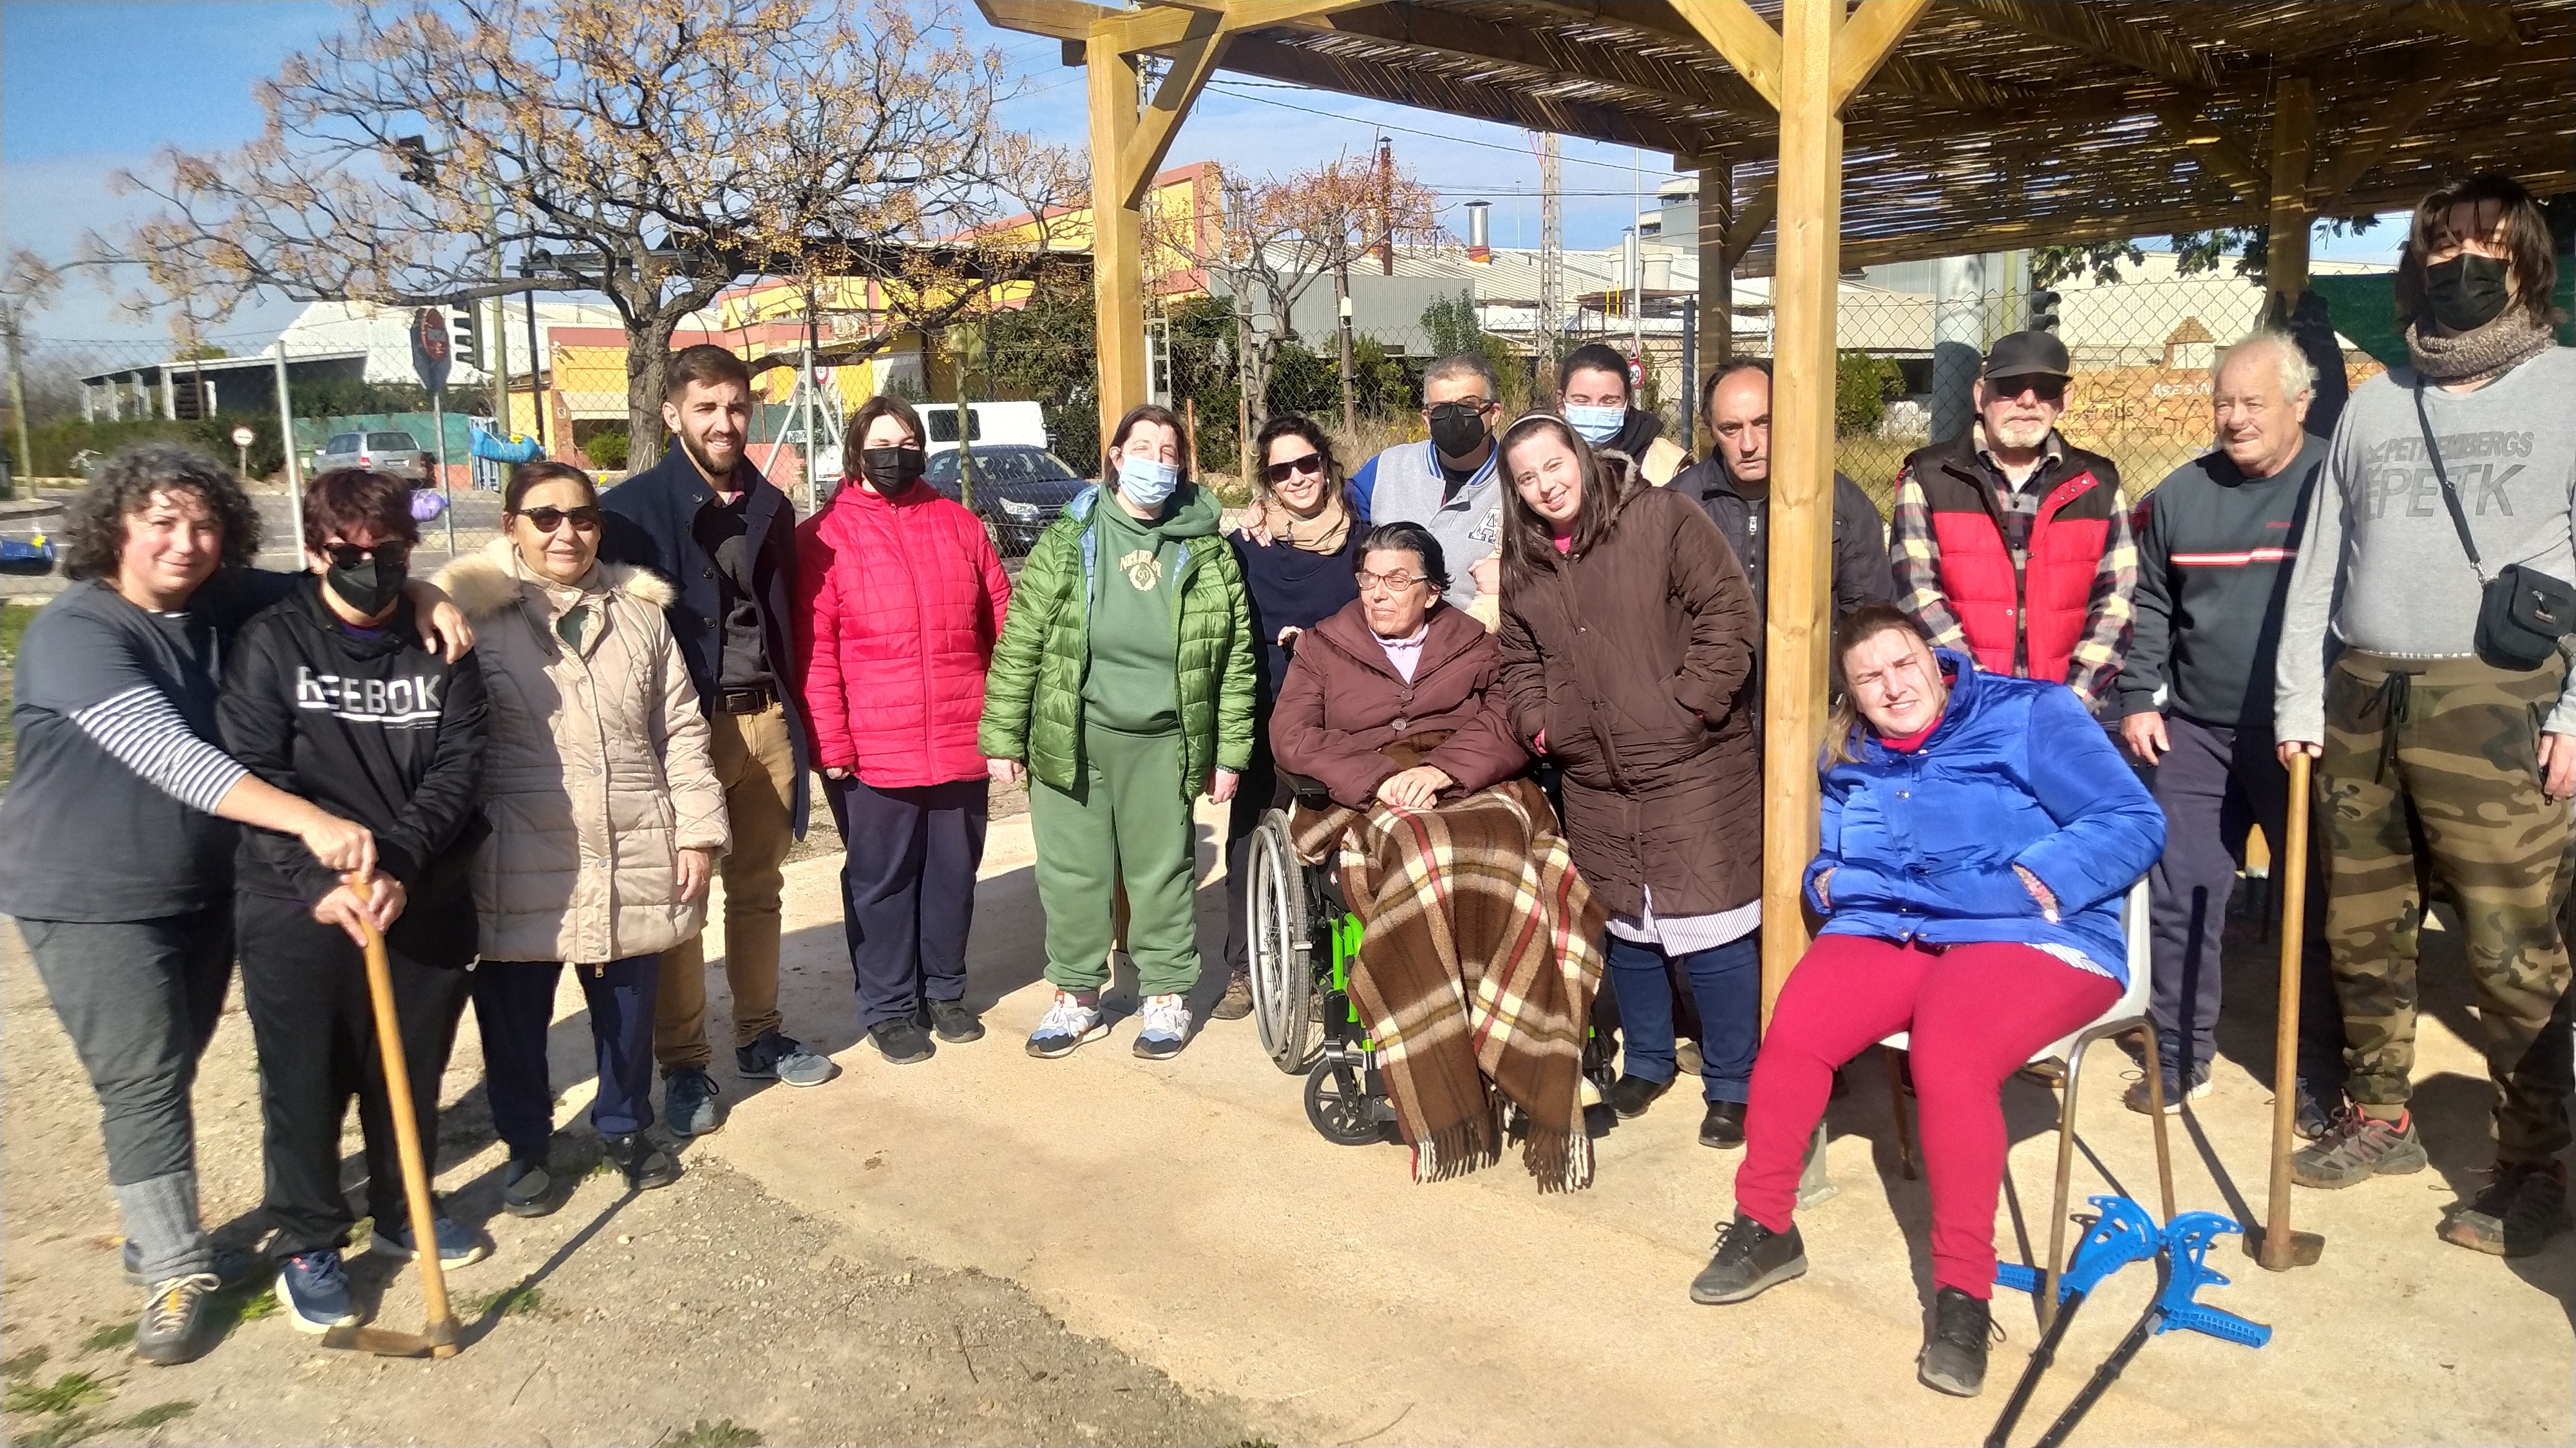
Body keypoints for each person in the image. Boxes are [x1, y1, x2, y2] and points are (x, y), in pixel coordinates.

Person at [0, 443, 468, 1366]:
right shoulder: (78, 632)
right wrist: (310, 823)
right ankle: (174, 1266)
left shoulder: (222, 603)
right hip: (92, 893)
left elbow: (341, 575)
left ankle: (212, 1226)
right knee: (143, 1079)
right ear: (117, 529)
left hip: (203, 885)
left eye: (205, 523)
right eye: (163, 522)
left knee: (178, 1059)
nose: (187, 542)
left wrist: (423, 593)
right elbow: (175, 756)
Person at [1691, 605, 2163, 1398]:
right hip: (1895, 923)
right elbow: (1835, 851)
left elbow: (2130, 818)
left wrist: (2035, 877)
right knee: (1798, 1031)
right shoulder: (1850, 751)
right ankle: (1767, 1224)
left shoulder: (2030, 713)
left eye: (1902, 663)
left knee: (1950, 1057)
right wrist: (1827, 883)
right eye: (1868, 678)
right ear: (1850, 693)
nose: (1892, 686)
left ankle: (1962, 1295)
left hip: (2026, 928)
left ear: (1933, 658)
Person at [2274, 172, 2576, 1257]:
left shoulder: (2569, 390)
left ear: (2526, 264)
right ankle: (2382, 1114)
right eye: (2444, 247)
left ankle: (2534, 1161)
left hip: (2497, 699)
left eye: (2487, 247)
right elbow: (2323, 560)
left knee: (2508, 946)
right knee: (2364, 928)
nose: (2462, 265)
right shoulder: (2377, 397)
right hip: (2362, 691)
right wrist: (2301, 695)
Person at [216, 468, 491, 1333]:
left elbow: (459, 764)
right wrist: (317, 881)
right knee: (305, 1080)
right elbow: (252, 774)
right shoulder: (272, 642)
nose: (370, 568)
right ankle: (308, 1237)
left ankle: (404, 1205)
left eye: (391, 555)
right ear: (315, 551)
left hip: (422, 893)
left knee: (407, 1071)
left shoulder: (441, 644)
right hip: (300, 904)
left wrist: (402, 863)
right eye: (351, 554)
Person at [1273, 521, 1605, 1188]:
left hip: (1467, 780)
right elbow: (1294, 735)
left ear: (1431, 590)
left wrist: (1446, 769)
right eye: (1368, 579)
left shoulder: (1475, 643)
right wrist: (1376, 776)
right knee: (1419, 846)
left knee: (1509, 848)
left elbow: (1510, 713)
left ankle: (1514, 1033)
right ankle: (1451, 1042)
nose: (1378, 593)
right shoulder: (1323, 647)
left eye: (1397, 580)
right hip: (1368, 793)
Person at [437, 461, 728, 1205]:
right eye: (546, 517)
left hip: (633, 836)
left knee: (627, 1007)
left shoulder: (639, 614)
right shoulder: (467, 614)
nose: (567, 531)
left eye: (584, 516)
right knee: (514, 1015)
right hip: (517, 846)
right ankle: (526, 1144)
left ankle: (625, 1124)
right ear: (511, 527)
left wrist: (697, 832)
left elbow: (682, 730)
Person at [1493, 413, 1765, 1148]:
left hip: (1693, 761)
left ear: (1578, 458)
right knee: (1629, 927)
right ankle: (1647, 1060)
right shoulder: (1524, 562)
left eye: (1554, 466)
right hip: (1593, 772)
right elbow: (1516, 659)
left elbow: (1727, 612)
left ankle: (1734, 1081)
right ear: (1514, 491)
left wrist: (1693, 703)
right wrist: (1543, 727)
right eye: (1527, 478)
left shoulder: (1660, 516)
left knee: (1711, 924)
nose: (1546, 486)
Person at [2116, 332, 2345, 1132]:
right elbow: (2150, 603)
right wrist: (2141, 695)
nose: (2234, 418)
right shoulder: (2181, 494)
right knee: (2183, 886)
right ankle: (2180, 1054)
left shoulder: (2333, 483)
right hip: (2196, 730)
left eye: (2253, 403)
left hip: (2299, 732)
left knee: (2313, 899)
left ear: (2299, 405)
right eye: (2223, 402)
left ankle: (2316, 1066)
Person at [978, 404, 1255, 1060]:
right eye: (1143, 448)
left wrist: (1229, 750)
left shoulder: (1209, 549)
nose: (1156, 462)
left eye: (1168, 452)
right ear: (1113, 455)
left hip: (1163, 741)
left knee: (1162, 870)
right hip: (1073, 736)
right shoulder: (1070, 535)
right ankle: (1076, 996)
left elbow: (1237, 659)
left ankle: (1164, 994)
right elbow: (1022, 638)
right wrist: (1003, 735)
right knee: (1072, 874)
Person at [600, 344, 827, 1140]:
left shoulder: (770, 504)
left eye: (735, 407)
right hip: (683, 732)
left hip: (766, 718)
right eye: (706, 408)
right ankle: (685, 1062)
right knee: (683, 899)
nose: (725, 423)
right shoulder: (626, 513)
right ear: (672, 415)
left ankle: (759, 1034)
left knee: (759, 888)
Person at [796, 395, 1012, 1065]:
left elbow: (1003, 622)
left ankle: (943, 991)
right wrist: (830, 743)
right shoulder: (824, 535)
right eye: (884, 443)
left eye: (910, 442)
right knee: (882, 884)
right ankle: (889, 1005)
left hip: (959, 736)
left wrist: (1005, 725)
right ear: (857, 450)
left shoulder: (957, 523)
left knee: (952, 874)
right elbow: (815, 650)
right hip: (872, 750)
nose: (899, 454)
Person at [1890, 330, 2137, 711]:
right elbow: (1918, 595)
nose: (2027, 400)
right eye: (2008, 387)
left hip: (2068, 711)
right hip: (1962, 708)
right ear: (1980, 395)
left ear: (2064, 401)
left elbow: (2116, 601)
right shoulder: (1928, 476)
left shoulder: (2098, 483)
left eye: (2046, 388)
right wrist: (1980, 695)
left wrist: (2072, 703)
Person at [1218, 414, 1365, 1017]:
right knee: (1251, 835)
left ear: (1325, 463)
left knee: (1332, 841)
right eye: (1282, 470)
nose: (1298, 477)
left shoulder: (1364, 541)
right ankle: (1246, 966)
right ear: (1267, 481)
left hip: (1340, 718)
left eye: (1307, 463)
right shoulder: (1246, 545)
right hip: (1263, 710)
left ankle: (1332, 967)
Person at [1349, 352, 1508, 617]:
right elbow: (1328, 511)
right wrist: (1268, 510)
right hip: (1388, 640)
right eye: (1442, 410)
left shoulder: (1519, 481)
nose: (1455, 418)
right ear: (1426, 419)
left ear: (1494, 413)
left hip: (1475, 643)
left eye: (1469, 405)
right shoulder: (1388, 467)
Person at [1556, 341, 1687, 486]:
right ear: (1561, 403)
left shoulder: (1666, 463)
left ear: (1626, 405)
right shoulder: (1540, 453)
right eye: (1582, 400)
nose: (1595, 410)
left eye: (1608, 401)